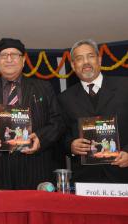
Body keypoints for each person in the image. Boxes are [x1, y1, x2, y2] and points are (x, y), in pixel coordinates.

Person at [0, 38, 64, 189]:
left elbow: (57, 122)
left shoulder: (43, 88)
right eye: (4, 56)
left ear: (23, 60)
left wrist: (40, 138)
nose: (9, 59)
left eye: (14, 55)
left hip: (35, 169)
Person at [58, 39, 128, 183]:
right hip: (85, 179)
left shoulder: (124, 86)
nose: (86, 62)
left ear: (99, 60)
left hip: (123, 174)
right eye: (79, 59)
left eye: (90, 56)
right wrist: (71, 145)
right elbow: (60, 135)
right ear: (73, 65)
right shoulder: (65, 98)